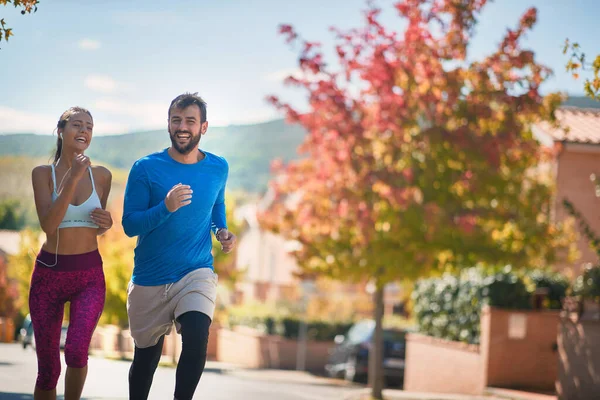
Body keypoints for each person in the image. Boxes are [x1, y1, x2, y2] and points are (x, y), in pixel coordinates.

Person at [122, 92, 236, 400]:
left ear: (204, 127)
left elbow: (216, 205)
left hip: (195, 270)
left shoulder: (217, 168)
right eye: (176, 120)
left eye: (190, 121)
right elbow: (129, 225)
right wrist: (165, 207)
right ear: (168, 125)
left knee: (198, 335)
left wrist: (221, 230)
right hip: (150, 277)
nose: (182, 127)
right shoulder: (145, 168)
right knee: (146, 361)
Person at [29, 106, 113, 400]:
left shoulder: (102, 176)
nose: (84, 131)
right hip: (48, 276)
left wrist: (107, 223)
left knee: (77, 351)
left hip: (88, 276)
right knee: (48, 370)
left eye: (89, 126)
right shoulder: (42, 174)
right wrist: (73, 178)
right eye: (76, 125)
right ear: (61, 130)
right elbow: (49, 224)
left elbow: (92, 226)